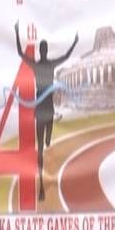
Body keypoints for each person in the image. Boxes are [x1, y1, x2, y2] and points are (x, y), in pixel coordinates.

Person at [15, 22, 79, 199]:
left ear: (41, 51)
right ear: (44, 50)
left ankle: (44, 182)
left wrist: (16, 33)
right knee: (42, 148)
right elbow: (65, 56)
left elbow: (21, 53)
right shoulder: (46, 65)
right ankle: (41, 187)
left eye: (42, 49)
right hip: (44, 109)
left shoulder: (40, 65)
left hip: (44, 108)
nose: (42, 51)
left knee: (45, 145)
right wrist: (74, 42)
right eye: (43, 49)